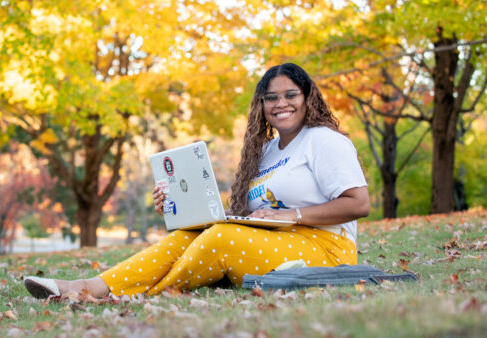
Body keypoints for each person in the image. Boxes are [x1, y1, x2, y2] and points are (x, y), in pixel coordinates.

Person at [23, 63, 370, 299]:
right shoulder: (265, 151)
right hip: (274, 245)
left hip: (326, 250)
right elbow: (244, 216)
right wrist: (177, 205)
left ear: (308, 97)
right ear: (261, 104)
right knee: (190, 234)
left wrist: (291, 216)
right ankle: (83, 286)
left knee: (220, 237)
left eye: (290, 94)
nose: (281, 104)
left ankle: (145, 295)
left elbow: (358, 203)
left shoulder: (325, 141)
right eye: (271, 98)